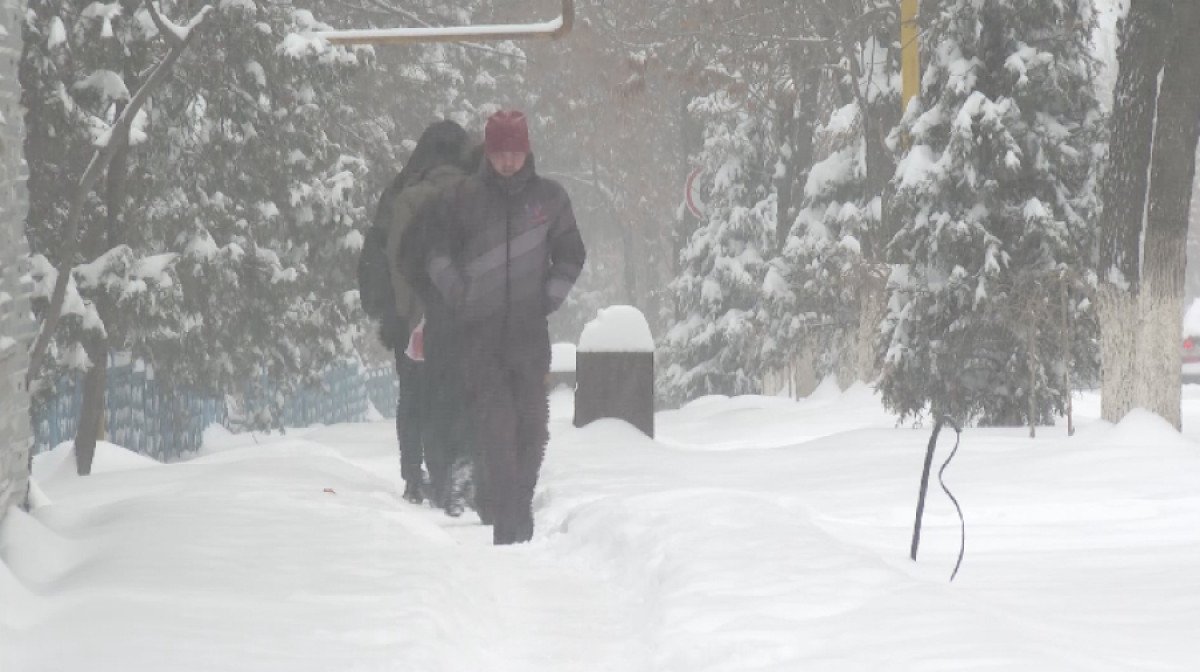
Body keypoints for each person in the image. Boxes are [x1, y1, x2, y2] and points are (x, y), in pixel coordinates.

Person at [420, 110, 586, 544]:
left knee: (532, 423)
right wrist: (460, 293)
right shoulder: (462, 199)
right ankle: (508, 516)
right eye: (500, 153)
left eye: (515, 153)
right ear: (488, 154)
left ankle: (517, 502)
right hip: (480, 333)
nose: (508, 162)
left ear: (527, 151)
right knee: (495, 424)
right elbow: (436, 253)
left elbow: (571, 252)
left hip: (529, 332)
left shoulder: (550, 200)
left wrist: (550, 296)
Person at [358, 120, 471, 506]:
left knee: (414, 396)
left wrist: (398, 313)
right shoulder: (476, 193)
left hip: (410, 313)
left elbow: (385, 255)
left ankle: (413, 475)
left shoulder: (401, 192)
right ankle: (454, 473)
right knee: (457, 393)